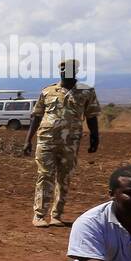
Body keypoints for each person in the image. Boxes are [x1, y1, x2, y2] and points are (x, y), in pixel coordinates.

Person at [23, 59, 100, 226]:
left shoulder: (86, 92)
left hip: (70, 142)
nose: (67, 73)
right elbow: (36, 116)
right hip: (46, 139)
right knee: (45, 174)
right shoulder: (48, 91)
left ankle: (57, 214)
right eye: (64, 70)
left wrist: (95, 137)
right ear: (60, 72)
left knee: (64, 177)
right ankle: (39, 215)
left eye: (71, 70)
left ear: (76, 72)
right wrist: (28, 140)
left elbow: (92, 116)